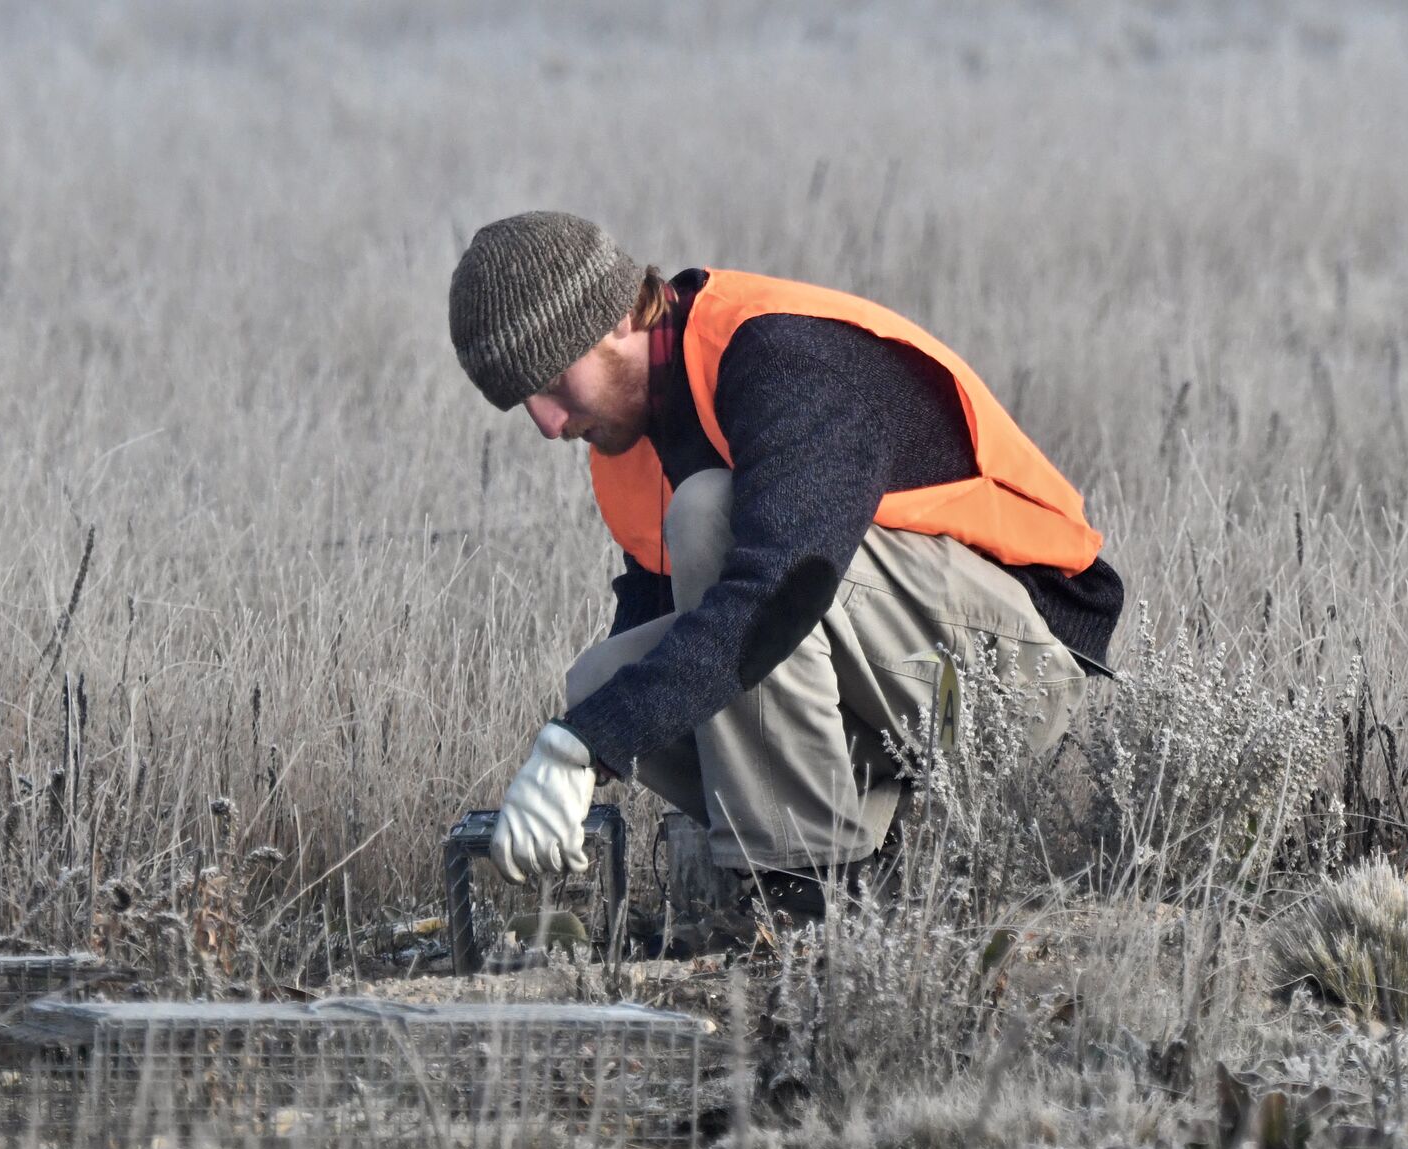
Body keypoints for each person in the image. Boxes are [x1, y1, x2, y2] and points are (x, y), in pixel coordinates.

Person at [447, 211, 1122, 921]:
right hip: (889, 671)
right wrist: (582, 754)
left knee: (712, 519)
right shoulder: (632, 443)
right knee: (600, 681)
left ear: (618, 320)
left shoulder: (779, 354)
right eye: (522, 404)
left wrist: (585, 745)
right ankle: (828, 868)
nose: (547, 424)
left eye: (553, 383)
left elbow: (784, 589)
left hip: (1011, 671)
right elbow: (672, 645)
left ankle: (811, 893)